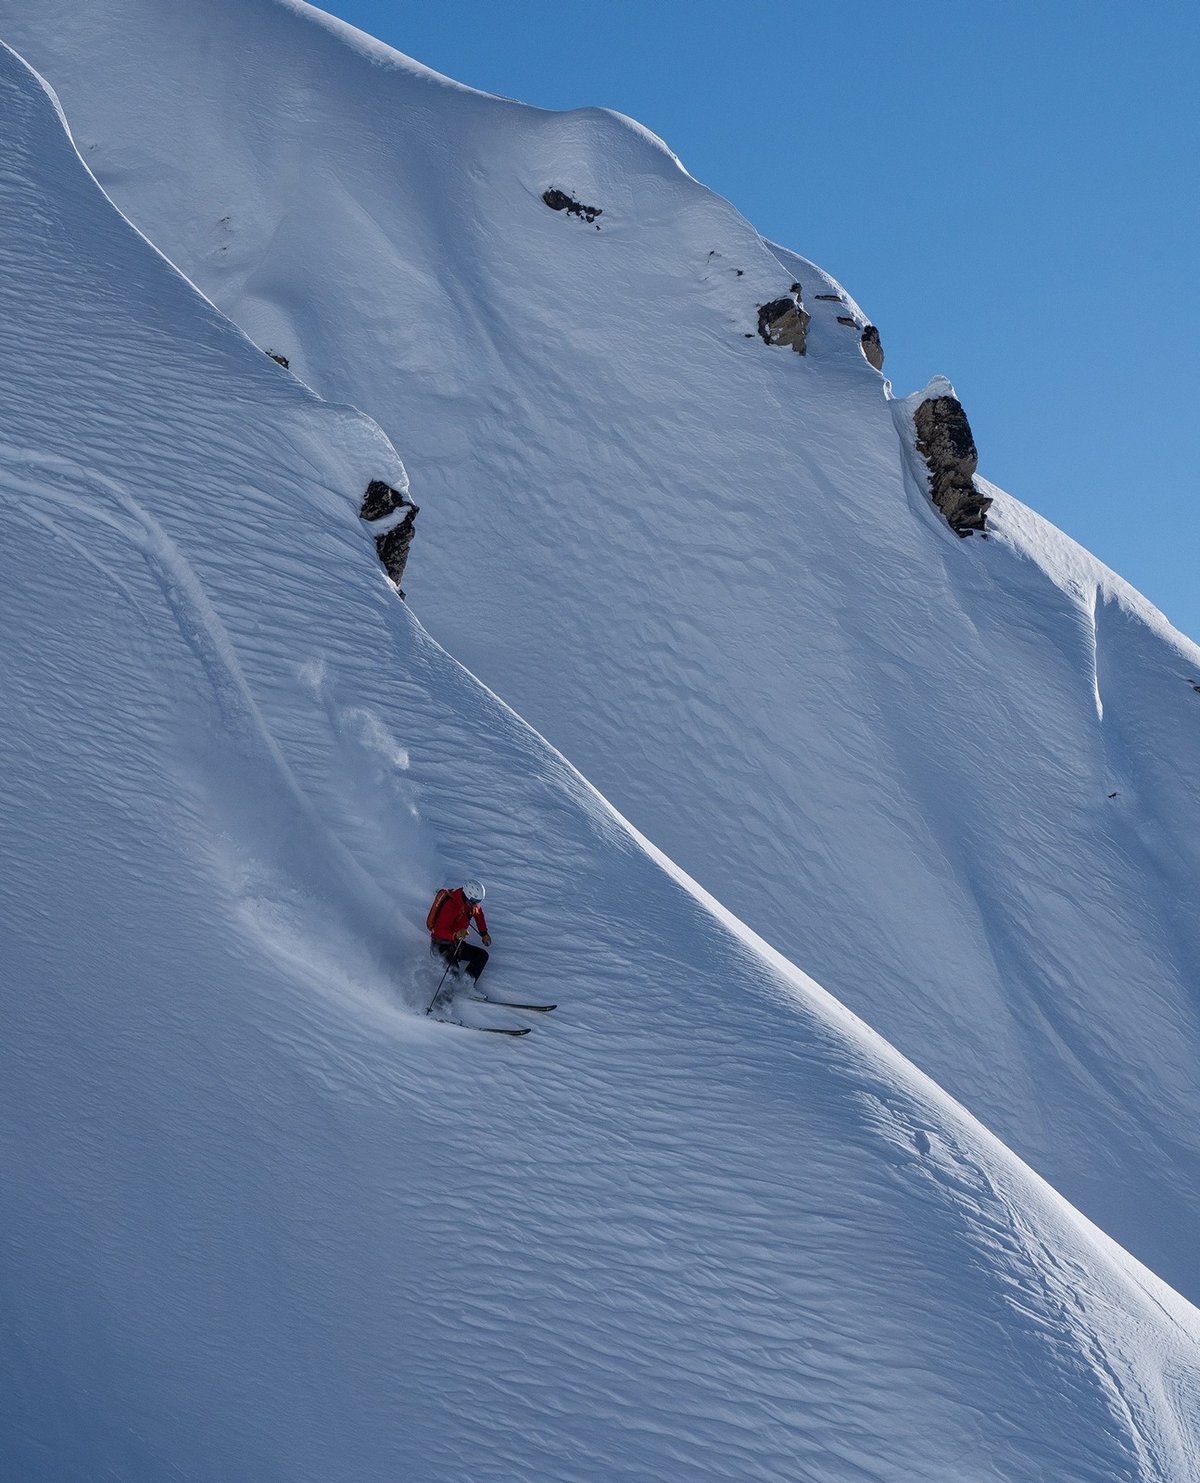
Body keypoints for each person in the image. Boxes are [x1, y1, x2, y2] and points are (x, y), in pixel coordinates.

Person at [428, 879, 492, 985]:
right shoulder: (451, 906)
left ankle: (466, 985)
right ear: (467, 895)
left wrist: (484, 933)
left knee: (482, 955)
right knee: (453, 974)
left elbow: (479, 914)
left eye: (478, 902)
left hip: (456, 944)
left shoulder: (471, 904)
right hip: (440, 946)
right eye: (474, 902)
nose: (476, 905)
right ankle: (443, 1000)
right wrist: (455, 935)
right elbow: (438, 931)